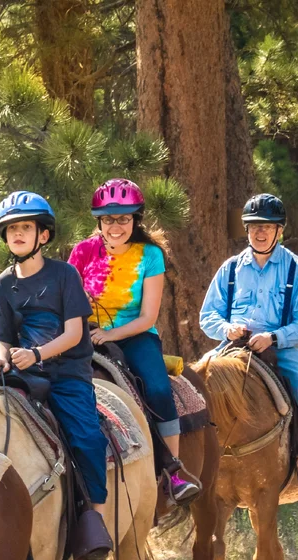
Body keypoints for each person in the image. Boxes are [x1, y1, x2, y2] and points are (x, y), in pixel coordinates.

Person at [0, 191, 113, 560]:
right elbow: (2, 336)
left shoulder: (64, 275)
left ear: (43, 235)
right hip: (22, 372)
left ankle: (95, 519)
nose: (17, 234)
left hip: (66, 373)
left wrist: (38, 354)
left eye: (25, 227)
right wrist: (1, 360)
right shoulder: (4, 282)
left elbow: (75, 333)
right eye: (11, 229)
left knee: (87, 438)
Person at [68, 178, 200, 505]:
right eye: (109, 219)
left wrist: (109, 334)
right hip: (83, 335)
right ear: (99, 221)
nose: (116, 226)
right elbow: (65, 301)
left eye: (123, 219)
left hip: (135, 335)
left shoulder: (150, 255)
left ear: (135, 220)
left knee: (157, 389)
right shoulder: (82, 252)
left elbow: (148, 317)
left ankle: (173, 472)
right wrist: (79, 308)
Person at [199, 194, 298, 489]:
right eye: (255, 226)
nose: (260, 232)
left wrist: (274, 337)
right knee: (197, 379)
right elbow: (208, 315)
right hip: (232, 347)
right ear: (246, 230)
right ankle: (191, 456)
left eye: (268, 227)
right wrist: (227, 328)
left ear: (279, 231)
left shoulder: (295, 267)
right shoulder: (230, 268)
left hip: (279, 347)